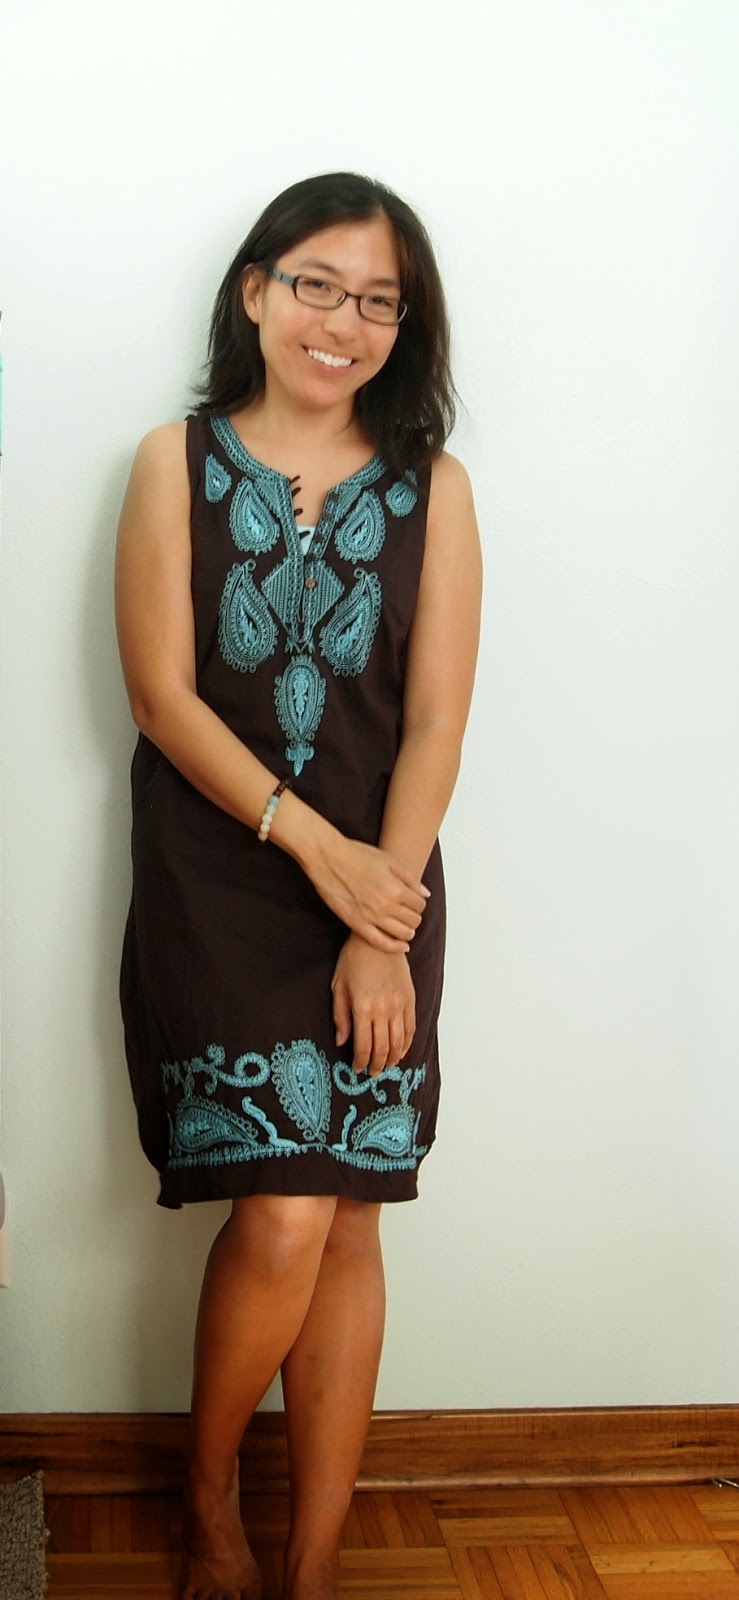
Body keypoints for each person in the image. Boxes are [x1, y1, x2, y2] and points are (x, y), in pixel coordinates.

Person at [115, 170, 482, 1600]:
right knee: (281, 1210)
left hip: (386, 884)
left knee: (349, 1213)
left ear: (406, 327)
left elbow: (436, 722)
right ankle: (206, 1502)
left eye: (380, 300)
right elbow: (163, 699)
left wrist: (379, 919)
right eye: (318, 284)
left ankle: (311, 1562)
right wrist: (315, 852)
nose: (344, 321)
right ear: (256, 290)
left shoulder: (436, 488)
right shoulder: (171, 462)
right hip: (220, 876)